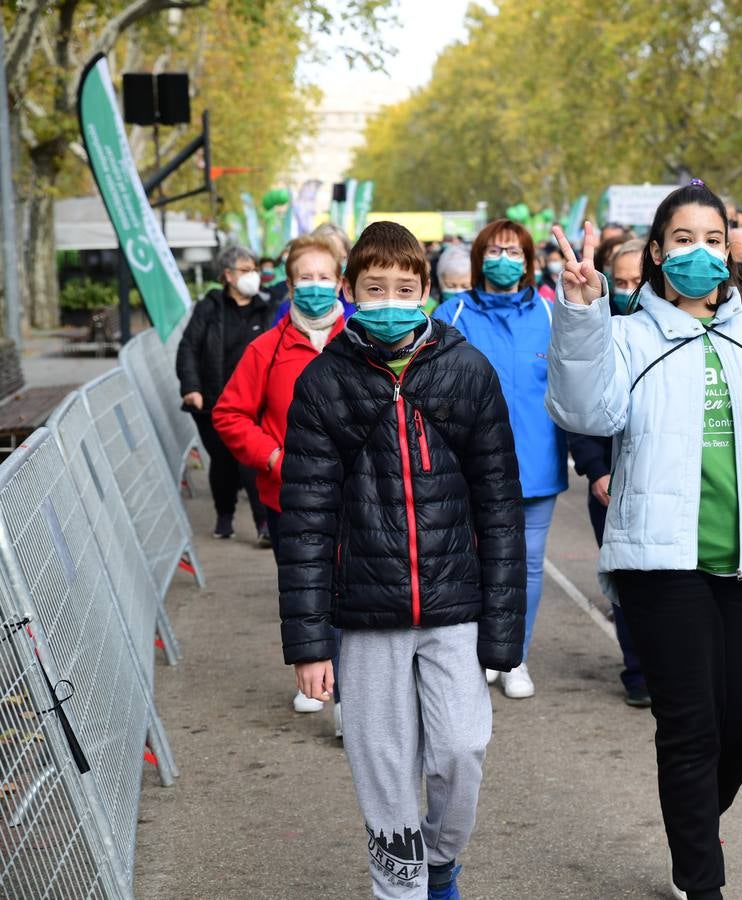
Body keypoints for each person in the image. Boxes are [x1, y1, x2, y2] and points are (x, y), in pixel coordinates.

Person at [544, 186, 742, 900]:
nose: (699, 253)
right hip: (660, 564)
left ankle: (692, 826)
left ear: (731, 251)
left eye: (713, 239)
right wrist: (579, 314)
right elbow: (583, 410)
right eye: (682, 240)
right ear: (657, 253)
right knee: (690, 729)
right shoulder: (625, 336)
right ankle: (701, 879)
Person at [279, 221, 525, 900]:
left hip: (455, 610)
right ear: (351, 292)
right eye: (375, 287)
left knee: (460, 750)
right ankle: (404, 886)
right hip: (364, 619)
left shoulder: (468, 370)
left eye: (405, 288)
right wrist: (308, 643)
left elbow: (499, 507)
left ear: (426, 292)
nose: (391, 299)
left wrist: (505, 635)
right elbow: (303, 521)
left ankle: (442, 857)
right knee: (383, 771)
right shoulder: (323, 384)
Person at [213, 235, 348, 722]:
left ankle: (349, 696)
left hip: (356, 494)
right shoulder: (266, 349)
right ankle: (315, 677)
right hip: (288, 497)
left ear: (342, 283)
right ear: (289, 285)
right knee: (309, 591)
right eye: (305, 278)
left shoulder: (360, 342)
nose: (315, 286)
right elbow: (229, 414)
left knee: (352, 590)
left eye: (324, 277)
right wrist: (272, 457)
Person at [432, 218, 567, 700]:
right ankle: (475, 654)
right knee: (471, 565)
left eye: (514, 252)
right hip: (469, 470)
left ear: (529, 262)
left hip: (536, 466)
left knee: (526, 569)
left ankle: (515, 658)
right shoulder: (453, 313)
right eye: (495, 250)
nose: (504, 260)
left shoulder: (553, 315)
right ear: (478, 258)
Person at [562, 238, 650, 707]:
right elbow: (580, 412)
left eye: (638, 281)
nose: (629, 289)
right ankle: (637, 670)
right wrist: (596, 470)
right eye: (620, 282)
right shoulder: (598, 333)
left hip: (659, 480)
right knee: (623, 576)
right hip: (609, 483)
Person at [176, 244, 274, 544]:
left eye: (254, 269)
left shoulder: (267, 308)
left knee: (250, 462)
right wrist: (192, 388)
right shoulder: (209, 308)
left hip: (255, 405)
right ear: (228, 276)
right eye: (245, 270)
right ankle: (224, 515)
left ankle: (263, 525)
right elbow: (188, 348)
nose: (253, 276)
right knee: (222, 462)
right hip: (213, 403)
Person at [427, 245, 472, 315]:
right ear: (441, 282)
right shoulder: (429, 308)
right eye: (451, 286)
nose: (458, 291)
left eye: (465, 286)